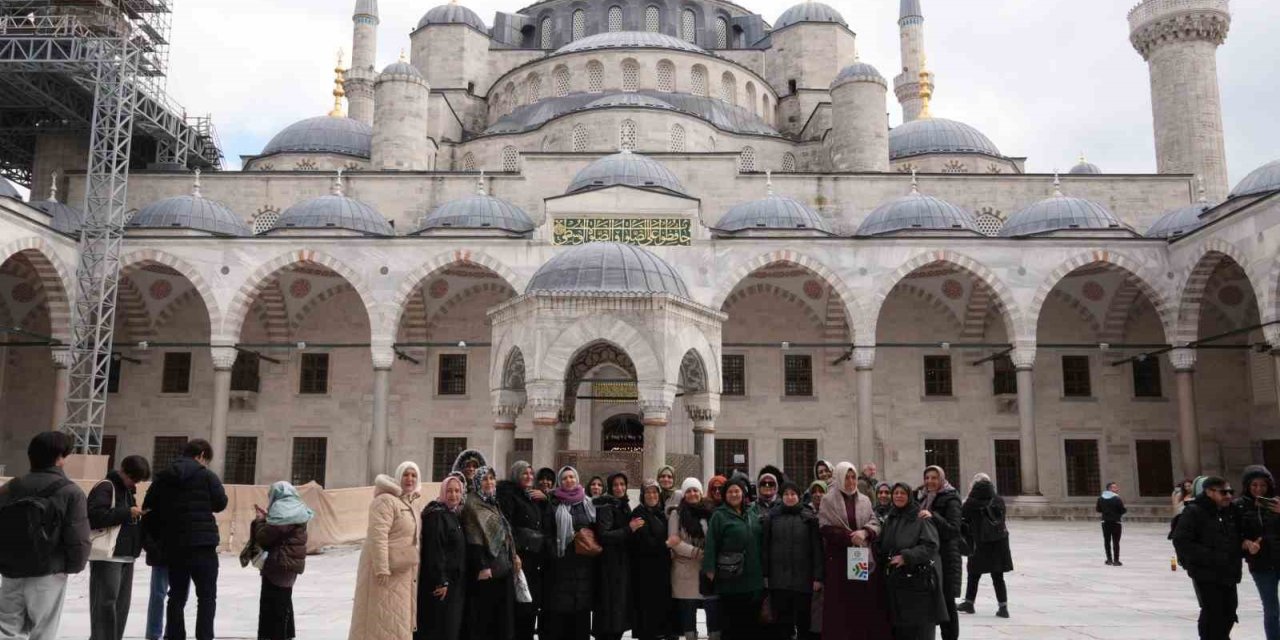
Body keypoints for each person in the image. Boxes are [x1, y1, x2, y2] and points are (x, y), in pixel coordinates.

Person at [0, 431, 90, 640]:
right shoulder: (71, 492)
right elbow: (78, 536)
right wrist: (74, 565)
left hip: (11, 570)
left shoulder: (11, 487)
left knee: (6, 629)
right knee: (44, 631)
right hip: (49, 571)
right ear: (60, 457)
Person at [143, 438, 228, 640]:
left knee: (176, 596)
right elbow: (220, 503)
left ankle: (174, 636)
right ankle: (204, 636)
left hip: (175, 544)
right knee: (206, 596)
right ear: (201, 456)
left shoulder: (163, 477)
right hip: (203, 544)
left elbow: (149, 509)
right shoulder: (207, 477)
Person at [348, 461, 424, 640]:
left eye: (414, 475)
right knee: (380, 621)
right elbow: (378, 536)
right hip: (384, 574)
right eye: (406, 474)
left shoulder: (411, 502)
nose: (410, 479)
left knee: (397, 622)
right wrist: (382, 567)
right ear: (398, 477)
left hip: (403, 573)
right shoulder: (385, 501)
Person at [818, 462, 891, 640]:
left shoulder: (865, 500)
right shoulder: (828, 500)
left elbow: (875, 523)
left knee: (860, 604)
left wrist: (865, 532)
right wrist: (849, 536)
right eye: (846, 477)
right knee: (840, 607)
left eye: (853, 477)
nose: (850, 481)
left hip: (859, 558)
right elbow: (825, 527)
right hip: (839, 561)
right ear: (839, 478)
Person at [86, 454, 151, 640]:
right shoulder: (107, 487)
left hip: (126, 554)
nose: (135, 483)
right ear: (124, 472)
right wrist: (127, 512)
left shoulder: (127, 490)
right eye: (134, 478)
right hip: (108, 555)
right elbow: (94, 516)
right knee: (105, 602)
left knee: (121, 606)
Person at [1173, 475, 1243, 640]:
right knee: (1212, 611)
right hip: (1206, 572)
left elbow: (1238, 535)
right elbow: (1181, 540)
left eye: (1230, 492)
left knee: (1229, 610)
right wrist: (1210, 556)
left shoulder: (1230, 511)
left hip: (1228, 571)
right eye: (1223, 492)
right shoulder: (1194, 511)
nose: (1228, 496)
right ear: (1209, 492)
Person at [877, 483, 948, 640]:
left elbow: (931, 545)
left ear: (909, 496)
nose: (898, 496)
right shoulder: (891, 517)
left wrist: (907, 557)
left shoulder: (920, 517)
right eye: (895, 493)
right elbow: (882, 544)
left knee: (919, 630)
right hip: (897, 584)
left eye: (903, 493)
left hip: (917, 585)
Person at [703, 475, 763, 640]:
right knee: (732, 625)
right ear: (725, 495)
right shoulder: (719, 515)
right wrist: (709, 569)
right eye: (730, 492)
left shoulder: (752, 513)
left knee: (752, 624)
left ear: (743, 494)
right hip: (731, 578)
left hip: (754, 578)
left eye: (737, 491)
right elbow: (711, 543)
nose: (734, 495)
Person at [541, 466, 597, 640]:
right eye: (565, 478)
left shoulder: (588, 503)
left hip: (584, 567)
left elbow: (596, 528)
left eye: (572, 477)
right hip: (561, 566)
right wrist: (557, 550)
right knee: (560, 618)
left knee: (581, 619)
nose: (569, 480)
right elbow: (547, 532)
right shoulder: (553, 503)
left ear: (577, 479)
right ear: (560, 482)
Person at [462, 466, 518, 640]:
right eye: (485, 479)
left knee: (503, 619)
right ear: (478, 482)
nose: (489, 482)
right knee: (485, 620)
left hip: (503, 567)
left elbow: (505, 532)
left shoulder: (493, 502)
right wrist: (482, 566)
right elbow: (473, 537)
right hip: (487, 570)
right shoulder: (472, 503)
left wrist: (514, 555)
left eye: (492, 478)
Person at [762, 481, 823, 640]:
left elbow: (817, 549)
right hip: (779, 581)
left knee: (804, 622)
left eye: (793, 494)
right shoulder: (772, 517)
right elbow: (766, 548)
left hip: (803, 581)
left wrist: (818, 577)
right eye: (786, 494)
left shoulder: (809, 518)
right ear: (781, 497)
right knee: (782, 622)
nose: (790, 497)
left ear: (799, 496)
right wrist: (766, 575)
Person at [251, 481, 312, 640]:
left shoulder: (281, 511)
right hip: (291, 565)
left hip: (278, 564)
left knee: (274, 607)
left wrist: (259, 521)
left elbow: (264, 537)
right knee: (284, 602)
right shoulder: (297, 508)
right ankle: (287, 635)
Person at [496, 462, 548, 640]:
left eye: (531, 473)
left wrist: (546, 498)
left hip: (534, 561)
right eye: (524, 473)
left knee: (530, 607)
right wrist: (516, 551)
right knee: (518, 609)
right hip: (518, 559)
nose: (528, 476)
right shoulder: (508, 495)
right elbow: (506, 526)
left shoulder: (531, 496)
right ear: (515, 475)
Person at [668, 478, 718, 640]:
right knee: (688, 617)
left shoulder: (710, 511)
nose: (692, 494)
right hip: (686, 571)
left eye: (695, 490)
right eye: (688, 491)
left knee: (713, 613)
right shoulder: (677, 514)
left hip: (708, 570)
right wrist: (696, 552)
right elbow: (674, 542)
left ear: (701, 492)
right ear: (684, 494)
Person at [418, 475, 466, 640]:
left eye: (457, 491)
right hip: (443, 586)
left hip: (454, 584)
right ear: (443, 492)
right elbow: (434, 550)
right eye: (450, 491)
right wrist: (441, 580)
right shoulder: (437, 515)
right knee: (441, 630)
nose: (454, 495)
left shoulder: (452, 514)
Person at [957, 474, 1012, 618]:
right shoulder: (998, 500)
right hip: (998, 542)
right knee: (998, 577)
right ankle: (1003, 607)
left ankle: (969, 603)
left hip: (979, 542)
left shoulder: (971, 502)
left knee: (973, 574)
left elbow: (962, 519)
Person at [918, 465, 963, 640]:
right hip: (931, 557)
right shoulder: (922, 496)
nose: (930, 481)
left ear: (941, 479)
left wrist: (933, 516)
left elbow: (954, 530)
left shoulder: (951, 499)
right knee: (934, 602)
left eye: (934, 478)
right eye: (927, 477)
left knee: (947, 604)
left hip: (947, 558)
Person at [1238, 465, 1280, 640]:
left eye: (1262, 485)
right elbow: (1233, 533)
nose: (1258, 489)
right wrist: (1246, 544)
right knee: (1271, 609)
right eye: (1254, 485)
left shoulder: (1277, 503)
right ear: (1247, 485)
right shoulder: (1239, 506)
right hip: (1261, 565)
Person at [630, 479, 672, 640]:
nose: (652, 495)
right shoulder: (638, 513)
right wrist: (667, 544)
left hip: (662, 572)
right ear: (642, 495)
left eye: (655, 492)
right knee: (648, 619)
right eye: (648, 492)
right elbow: (645, 542)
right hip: (645, 573)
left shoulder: (661, 513)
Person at [593, 472, 633, 640]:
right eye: (615, 485)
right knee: (610, 610)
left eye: (622, 484)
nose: (619, 488)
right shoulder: (607, 506)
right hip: (610, 566)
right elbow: (604, 535)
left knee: (618, 611)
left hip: (621, 563)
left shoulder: (623, 505)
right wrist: (628, 529)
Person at [1097, 482, 1127, 566]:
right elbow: (1122, 510)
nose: (1117, 489)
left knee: (1107, 541)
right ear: (1109, 489)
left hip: (1105, 522)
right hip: (1116, 522)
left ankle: (1109, 560)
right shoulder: (1117, 499)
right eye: (1114, 487)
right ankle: (1116, 561)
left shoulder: (1100, 498)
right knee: (1116, 542)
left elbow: (1098, 509)